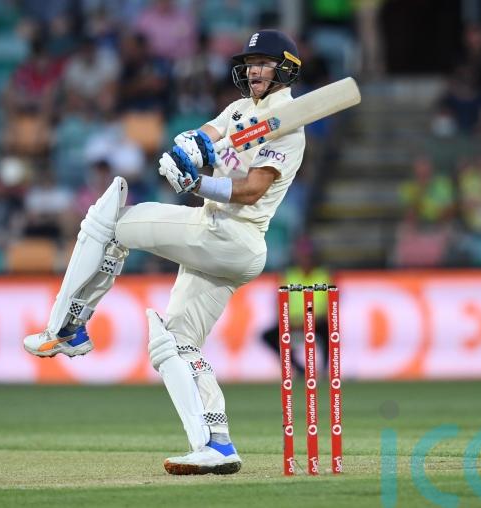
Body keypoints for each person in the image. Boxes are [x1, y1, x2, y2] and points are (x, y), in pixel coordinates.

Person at [23, 30, 305, 475]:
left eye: (265, 63)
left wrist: (196, 182)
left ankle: (67, 326)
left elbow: (252, 190)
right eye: (250, 62)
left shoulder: (290, 125)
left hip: (232, 234)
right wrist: (189, 144)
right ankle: (216, 444)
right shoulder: (239, 110)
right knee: (174, 342)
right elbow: (210, 133)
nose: (254, 70)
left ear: (285, 68)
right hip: (217, 239)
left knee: (111, 221)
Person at [261, 236, 331, 375]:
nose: (305, 260)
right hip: (292, 323)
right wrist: (289, 321)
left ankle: (324, 371)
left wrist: (310, 320)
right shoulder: (289, 275)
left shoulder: (323, 275)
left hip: (316, 322)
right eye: (303, 256)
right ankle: (299, 369)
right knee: (268, 336)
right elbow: (279, 301)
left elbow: (329, 304)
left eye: (308, 256)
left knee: (329, 332)